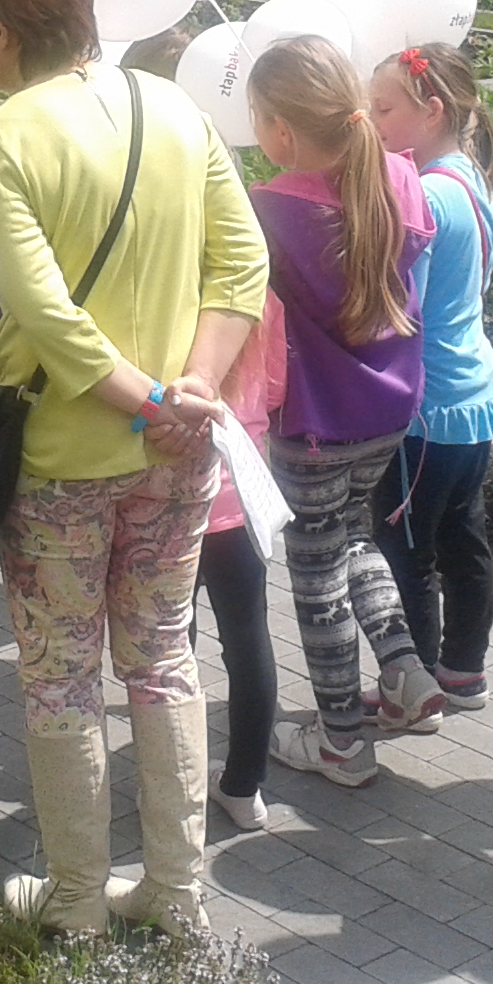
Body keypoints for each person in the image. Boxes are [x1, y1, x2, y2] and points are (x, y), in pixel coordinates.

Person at [0, 0, 267, 938]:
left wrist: (147, 399)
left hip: (61, 459)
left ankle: (78, 901)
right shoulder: (172, 106)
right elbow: (243, 262)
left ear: (3, 29)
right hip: (180, 450)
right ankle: (177, 893)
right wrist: (192, 391)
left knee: (59, 677)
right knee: (164, 659)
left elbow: (46, 316)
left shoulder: (0, 138)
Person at [249, 36, 439, 790]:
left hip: (314, 423)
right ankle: (405, 671)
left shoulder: (270, 208)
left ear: (281, 130)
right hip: (388, 408)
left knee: (316, 572)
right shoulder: (401, 177)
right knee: (355, 535)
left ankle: (340, 742)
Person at [365, 43, 493, 718]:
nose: (372, 122)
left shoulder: (424, 194)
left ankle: (414, 684)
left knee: (405, 553)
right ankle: (463, 670)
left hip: (426, 410)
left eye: (383, 109)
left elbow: (403, 309)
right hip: (474, 397)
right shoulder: (470, 177)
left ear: (430, 111)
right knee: (463, 541)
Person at [197, 290, 289, 831]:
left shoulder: (166, 287)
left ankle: (173, 783)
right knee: (249, 639)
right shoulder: (261, 296)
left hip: (172, 499)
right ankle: (244, 788)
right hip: (244, 494)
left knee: (170, 650)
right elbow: (274, 389)